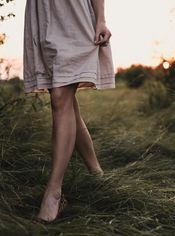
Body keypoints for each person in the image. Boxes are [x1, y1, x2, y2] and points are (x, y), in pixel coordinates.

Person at [23, 0, 115, 223]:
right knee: (66, 102)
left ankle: (54, 192)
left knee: (60, 98)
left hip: (74, 16)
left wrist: (101, 18)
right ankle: (96, 173)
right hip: (43, 15)